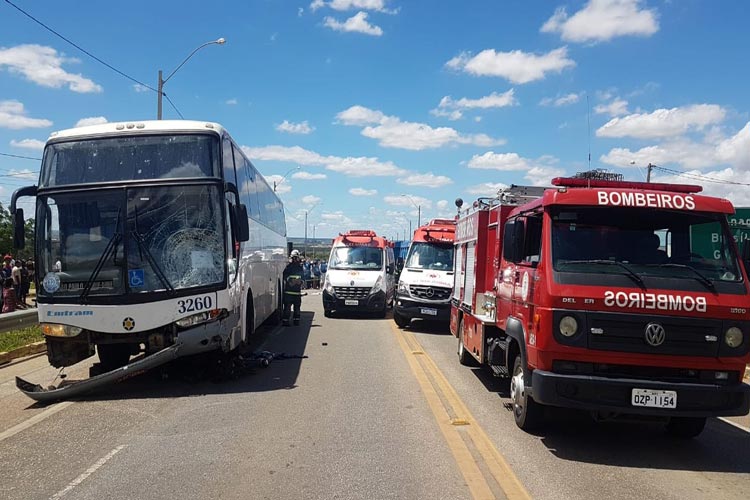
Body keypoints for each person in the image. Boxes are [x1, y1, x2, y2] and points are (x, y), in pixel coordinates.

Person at [282, 250, 304, 326]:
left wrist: (292, 282)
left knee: (288, 308)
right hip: (296, 293)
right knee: (296, 308)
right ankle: (296, 321)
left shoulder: (288, 267)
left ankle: (286, 321)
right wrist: (298, 282)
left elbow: (285, 276)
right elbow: (303, 279)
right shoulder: (299, 267)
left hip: (288, 292)